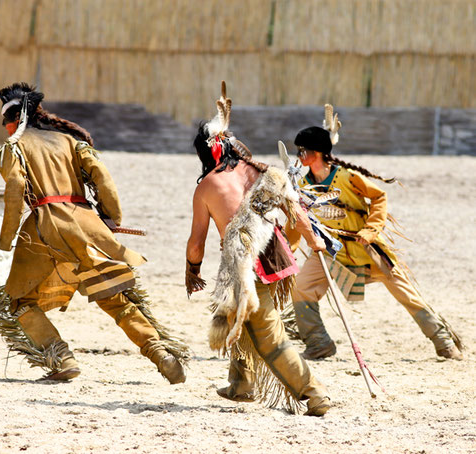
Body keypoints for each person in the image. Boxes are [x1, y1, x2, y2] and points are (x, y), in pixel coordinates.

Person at [0, 82, 189, 383]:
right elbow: (102, 177)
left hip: (46, 227)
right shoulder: (68, 142)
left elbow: (16, 188)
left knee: (18, 301)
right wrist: (109, 218)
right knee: (114, 297)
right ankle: (159, 352)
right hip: (88, 225)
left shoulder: (12, 148)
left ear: (13, 122)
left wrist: (6, 240)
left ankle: (61, 359)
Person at [185, 83, 331, 416]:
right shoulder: (261, 171)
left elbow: (196, 243)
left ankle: (314, 393)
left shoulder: (207, 186)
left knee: (266, 332)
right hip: (276, 253)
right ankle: (242, 384)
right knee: (240, 312)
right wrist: (313, 241)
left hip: (245, 261)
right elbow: (296, 210)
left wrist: (191, 269)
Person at [285, 109, 463, 361]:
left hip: (364, 246)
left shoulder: (348, 177)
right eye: (298, 150)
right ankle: (318, 343)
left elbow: (379, 197)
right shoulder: (301, 186)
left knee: (405, 292)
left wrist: (370, 230)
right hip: (328, 249)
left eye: (303, 150)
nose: (299, 155)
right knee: (302, 289)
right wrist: (287, 249)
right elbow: (298, 219)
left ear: (319, 153)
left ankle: (443, 342)